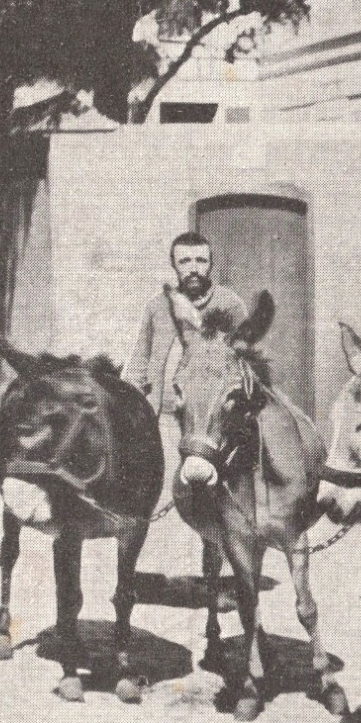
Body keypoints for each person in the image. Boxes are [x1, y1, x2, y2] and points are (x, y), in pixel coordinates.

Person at [125, 232, 247, 578]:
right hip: (161, 418)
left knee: (209, 491)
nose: (193, 268)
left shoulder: (229, 304)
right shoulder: (157, 306)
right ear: (174, 266)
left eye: (201, 261)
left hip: (208, 421)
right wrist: (131, 402)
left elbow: (246, 360)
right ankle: (140, 571)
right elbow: (140, 359)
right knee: (152, 491)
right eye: (185, 261)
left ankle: (216, 569)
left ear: (211, 264)